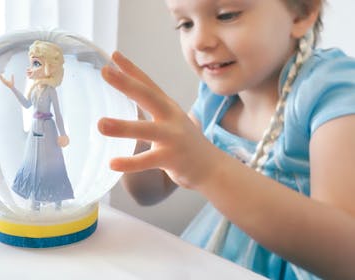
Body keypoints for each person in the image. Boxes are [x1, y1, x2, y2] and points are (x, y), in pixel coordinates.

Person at [97, 0, 355, 279]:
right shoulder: (215, 99)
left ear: (301, 14)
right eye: (185, 24)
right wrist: (135, 128)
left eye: (227, 15)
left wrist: (207, 169)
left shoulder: (331, 92)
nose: (199, 41)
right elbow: (150, 191)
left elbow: (346, 256)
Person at [0, 40, 74, 210]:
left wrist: (63, 134)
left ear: (49, 66)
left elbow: (59, 113)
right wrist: (12, 88)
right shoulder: (34, 89)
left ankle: (56, 200)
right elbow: (26, 104)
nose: (30, 68)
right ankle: (35, 199)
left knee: (50, 163)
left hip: (48, 129)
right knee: (33, 162)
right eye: (32, 63)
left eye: (36, 63)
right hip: (35, 128)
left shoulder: (50, 91)